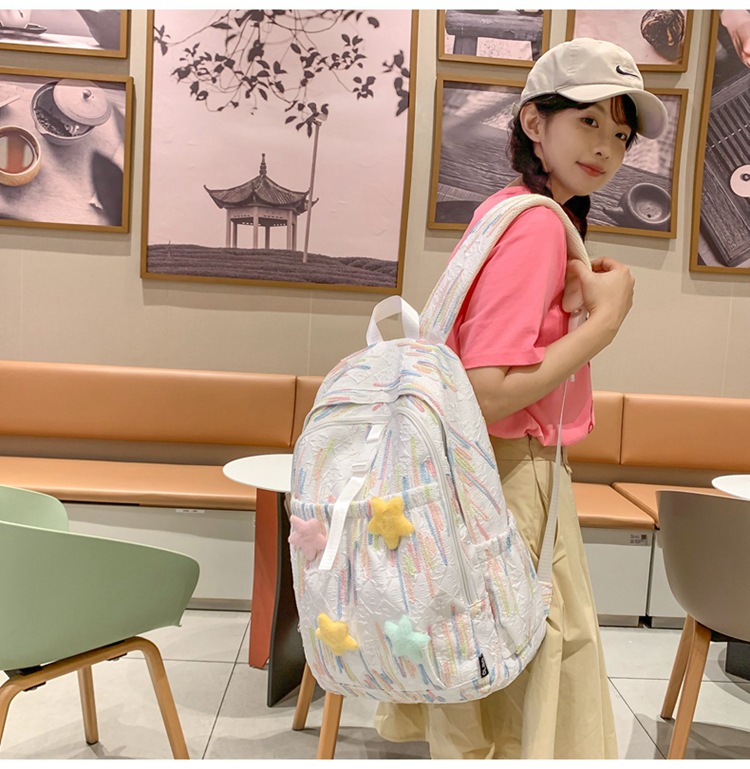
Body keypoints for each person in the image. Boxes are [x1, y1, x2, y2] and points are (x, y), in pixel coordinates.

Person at [374, 37, 668, 759]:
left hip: (479, 475)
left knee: (485, 659)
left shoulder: (507, 210)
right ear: (535, 122)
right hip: (513, 480)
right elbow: (488, 392)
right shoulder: (536, 224)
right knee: (532, 662)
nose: (606, 147)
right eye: (588, 121)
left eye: (620, 134)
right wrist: (603, 326)